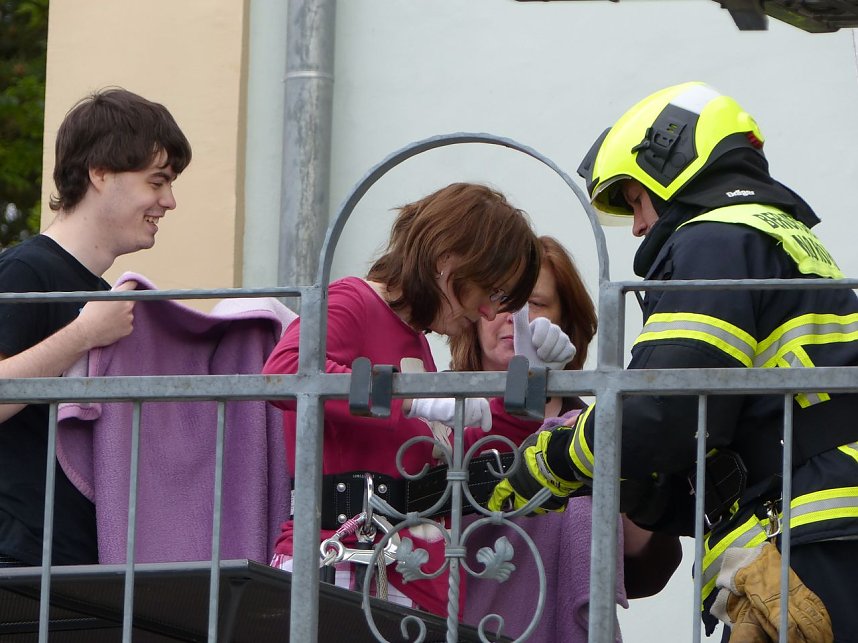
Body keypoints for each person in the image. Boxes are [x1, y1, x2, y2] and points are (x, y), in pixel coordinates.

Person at [488, 81, 858, 642]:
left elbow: (666, 406)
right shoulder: (781, 240)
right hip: (826, 524)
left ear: (672, 160)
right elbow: (724, 430)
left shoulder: (713, 238)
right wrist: (633, 481)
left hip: (812, 534)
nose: (638, 225)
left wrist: (550, 458)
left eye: (636, 200)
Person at [262, 182, 542, 616]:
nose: (488, 312)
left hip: (405, 580)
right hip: (343, 569)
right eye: (490, 290)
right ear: (447, 261)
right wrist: (408, 399)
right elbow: (285, 374)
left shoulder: (417, 342)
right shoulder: (351, 300)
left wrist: (529, 389)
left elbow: (459, 454)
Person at [451, 236, 680, 642]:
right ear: (473, 313)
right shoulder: (435, 409)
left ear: (564, 320)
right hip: (451, 628)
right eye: (499, 298)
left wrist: (607, 469)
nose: (513, 317)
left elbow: (652, 568)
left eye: (534, 304)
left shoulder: (597, 426)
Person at [0, 88, 192, 568]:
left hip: (83, 565)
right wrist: (83, 334)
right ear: (100, 173)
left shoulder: (103, 295)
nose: (169, 201)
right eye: (157, 181)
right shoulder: (24, 272)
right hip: (20, 567)